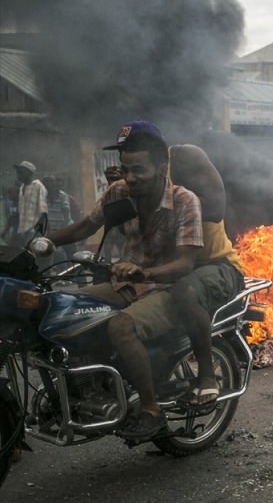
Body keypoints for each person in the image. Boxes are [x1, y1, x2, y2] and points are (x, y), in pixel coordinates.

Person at [53, 120, 245, 408]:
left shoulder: (185, 165)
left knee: (184, 292)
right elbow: (89, 228)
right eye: (124, 156)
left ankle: (206, 375)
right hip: (157, 270)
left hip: (210, 263)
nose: (128, 170)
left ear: (161, 158)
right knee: (71, 304)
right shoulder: (125, 188)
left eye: (137, 157)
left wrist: (158, 194)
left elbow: (216, 210)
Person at [50, 130, 202, 440]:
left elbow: (186, 264)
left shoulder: (185, 201)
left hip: (169, 288)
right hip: (124, 285)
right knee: (62, 305)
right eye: (126, 168)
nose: (130, 178)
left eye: (139, 170)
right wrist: (40, 242)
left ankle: (151, 410)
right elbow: (84, 227)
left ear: (161, 169)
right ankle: (85, 387)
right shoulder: (118, 193)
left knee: (120, 327)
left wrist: (143, 273)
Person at [13, 161, 47, 242]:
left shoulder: (38, 186)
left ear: (29, 173)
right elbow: (22, 212)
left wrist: (39, 232)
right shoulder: (22, 187)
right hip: (23, 231)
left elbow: (43, 211)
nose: (18, 173)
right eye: (18, 171)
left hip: (34, 231)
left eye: (21, 171)